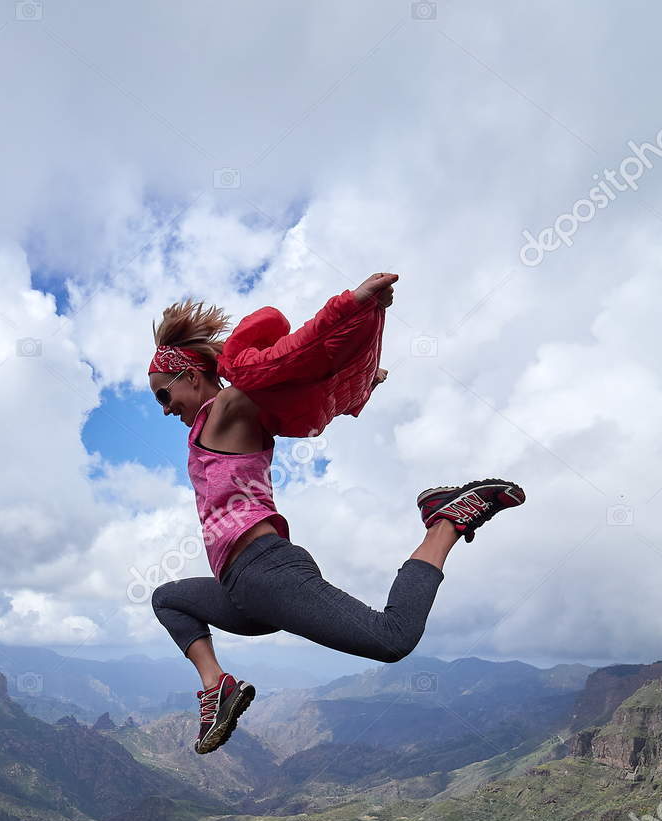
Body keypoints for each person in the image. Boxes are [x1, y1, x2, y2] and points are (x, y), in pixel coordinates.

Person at [148, 272, 525, 755]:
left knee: (392, 638)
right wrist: (363, 378)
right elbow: (303, 382)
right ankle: (216, 685)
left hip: (269, 573)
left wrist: (351, 307)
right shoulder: (209, 422)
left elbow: (294, 357)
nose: (163, 408)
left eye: (164, 395)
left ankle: (446, 519)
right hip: (240, 590)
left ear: (191, 375)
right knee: (169, 599)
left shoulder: (228, 408)